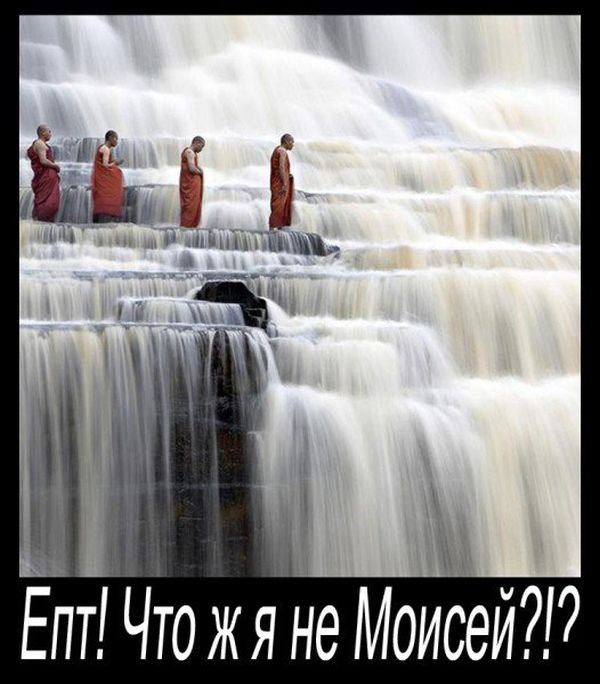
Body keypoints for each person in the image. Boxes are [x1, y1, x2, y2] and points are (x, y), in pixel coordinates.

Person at [26, 124, 61, 222]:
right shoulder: (40, 143)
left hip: (45, 176)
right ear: (42, 132)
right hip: (46, 176)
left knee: (47, 200)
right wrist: (56, 166)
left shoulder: (39, 143)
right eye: (49, 131)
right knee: (48, 202)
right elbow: (43, 161)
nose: (50, 134)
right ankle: (43, 221)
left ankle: (43, 223)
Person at [92, 130, 124, 223]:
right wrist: (115, 163)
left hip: (98, 176)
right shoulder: (106, 149)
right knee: (118, 173)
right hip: (101, 176)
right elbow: (105, 166)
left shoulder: (102, 147)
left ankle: (97, 219)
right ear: (110, 138)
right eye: (115, 138)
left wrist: (113, 162)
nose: (116, 141)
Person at [269, 133, 295, 230]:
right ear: (286, 141)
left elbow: (279, 168)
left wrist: (288, 175)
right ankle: (273, 228)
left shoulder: (277, 150)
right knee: (279, 205)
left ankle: (278, 228)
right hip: (279, 183)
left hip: (276, 181)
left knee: (279, 204)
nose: (293, 144)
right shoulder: (282, 151)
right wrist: (284, 183)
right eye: (292, 142)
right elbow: (281, 168)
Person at [179, 136, 205, 228]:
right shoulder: (190, 152)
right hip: (190, 185)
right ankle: (188, 227)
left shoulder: (189, 152)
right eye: (201, 146)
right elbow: (192, 169)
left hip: (191, 183)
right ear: (197, 143)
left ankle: (190, 228)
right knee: (190, 206)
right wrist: (201, 172)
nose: (201, 149)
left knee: (191, 205)